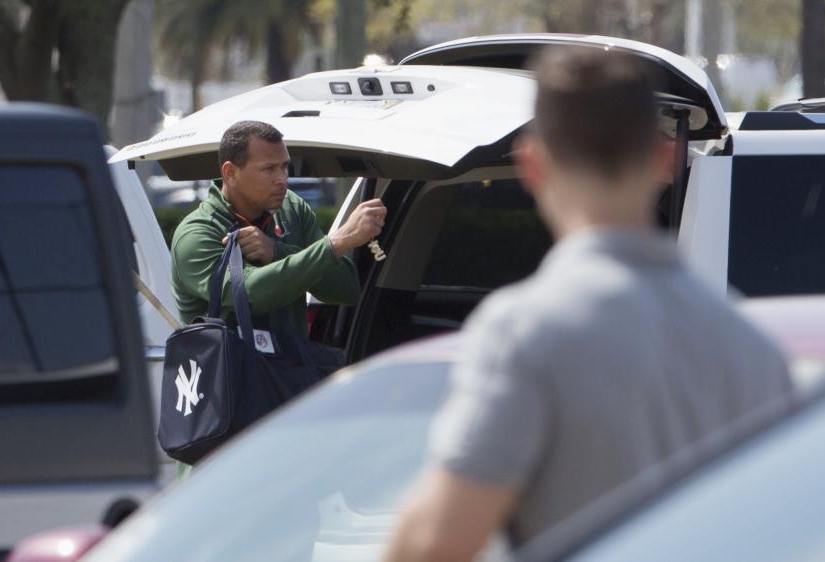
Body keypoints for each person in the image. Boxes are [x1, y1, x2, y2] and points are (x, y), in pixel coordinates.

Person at [382, 49, 792, 562]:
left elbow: (436, 542)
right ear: (665, 158)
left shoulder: (526, 330)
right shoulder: (751, 345)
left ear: (533, 164)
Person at [170, 120, 386, 334]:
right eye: (268, 169)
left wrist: (276, 251)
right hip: (230, 368)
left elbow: (346, 290)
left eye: (284, 167)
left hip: (293, 366)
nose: (282, 179)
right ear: (230, 173)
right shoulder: (196, 233)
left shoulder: (292, 208)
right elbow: (249, 295)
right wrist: (337, 243)